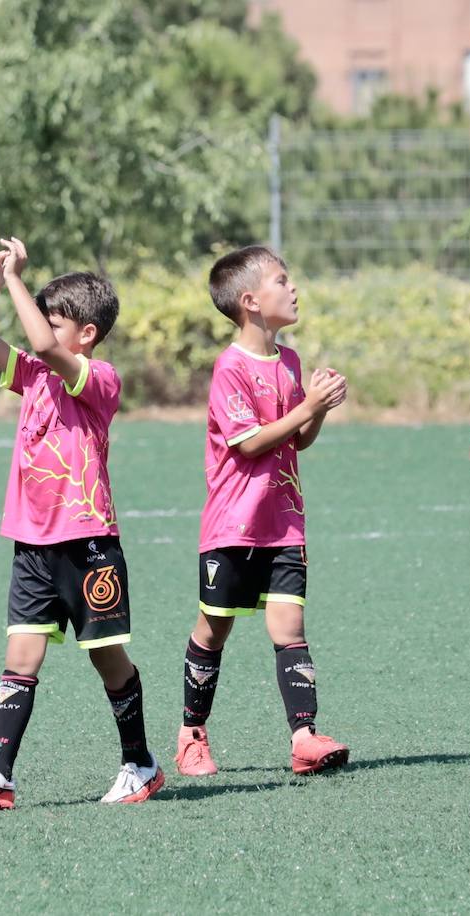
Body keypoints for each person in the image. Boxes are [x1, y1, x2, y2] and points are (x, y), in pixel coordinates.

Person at [0, 237, 162, 810]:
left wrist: (16, 276)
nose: (43, 330)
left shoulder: (98, 377)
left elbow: (37, 339)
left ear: (85, 334)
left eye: (56, 320)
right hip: (33, 542)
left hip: (88, 542)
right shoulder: (34, 375)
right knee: (21, 656)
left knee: (106, 656)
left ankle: (140, 763)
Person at [174, 245, 351, 778]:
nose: (293, 287)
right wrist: (308, 407)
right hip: (233, 526)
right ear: (250, 301)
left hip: (285, 521)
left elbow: (297, 438)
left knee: (289, 625)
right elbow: (249, 444)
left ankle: (304, 737)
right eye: (282, 279)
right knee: (214, 629)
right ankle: (191, 734)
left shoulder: (291, 361)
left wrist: (316, 411)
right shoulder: (230, 367)